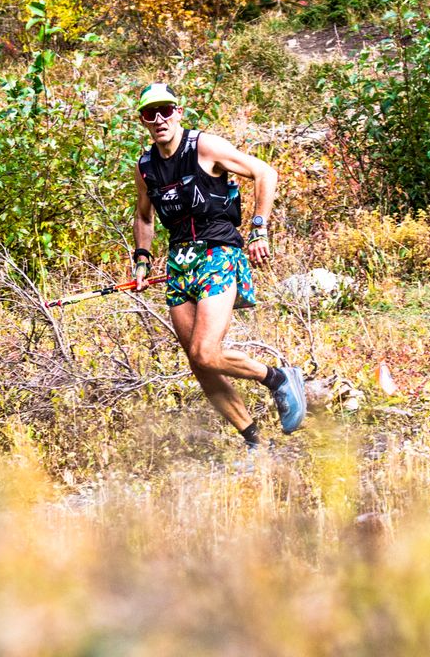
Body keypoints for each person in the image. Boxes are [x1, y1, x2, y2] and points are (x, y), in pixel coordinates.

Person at [131, 82, 306, 449]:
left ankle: (277, 378)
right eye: (150, 113)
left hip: (218, 252)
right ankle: (255, 442)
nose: (159, 119)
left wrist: (259, 229)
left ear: (178, 112)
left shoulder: (204, 147)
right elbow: (144, 216)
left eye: (166, 110)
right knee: (199, 363)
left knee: (206, 351)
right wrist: (142, 260)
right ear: (143, 120)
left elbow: (265, 173)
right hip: (179, 263)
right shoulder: (145, 166)